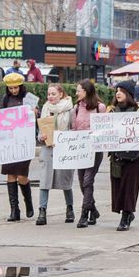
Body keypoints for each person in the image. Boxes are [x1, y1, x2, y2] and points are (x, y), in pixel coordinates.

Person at [108, 80, 139, 231]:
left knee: (130, 186)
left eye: (121, 91)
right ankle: (126, 212)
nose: (118, 93)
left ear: (129, 94)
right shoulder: (111, 111)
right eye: (117, 90)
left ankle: (126, 215)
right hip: (117, 155)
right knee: (119, 186)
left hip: (134, 154)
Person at [35, 84, 76, 225]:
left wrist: (64, 137)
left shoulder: (70, 109)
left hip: (64, 148)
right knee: (45, 179)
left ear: (61, 94)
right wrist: (41, 137)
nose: (50, 97)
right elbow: (41, 129)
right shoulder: (45, 108)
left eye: (53, 94)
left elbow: (74, 128)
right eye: (48, 94)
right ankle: (42, 211)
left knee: (65, 179)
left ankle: (70, 208)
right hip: (48, 148)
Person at [0, 72, 36, 221]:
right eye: (11, 88)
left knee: (22, 176)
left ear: (21, 87)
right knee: (10, 175)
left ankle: (28, 202)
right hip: (9, 142)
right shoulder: (5, 99)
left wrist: (34, 113)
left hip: (23, 142)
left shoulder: (29, 98)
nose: (14, 91)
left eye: (16, 88)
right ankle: (14, 210)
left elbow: (36, 118)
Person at [71, 79, 106, 228]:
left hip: (95, 150)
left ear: (86, 91)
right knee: (81, 182)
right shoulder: (76, 108)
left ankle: (84, 214)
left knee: (87, 181)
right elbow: (73, 129)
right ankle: (93, 209)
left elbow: (105, 129)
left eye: (79, 90)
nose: (76, 93)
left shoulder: (100, 108)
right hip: (81, 150)